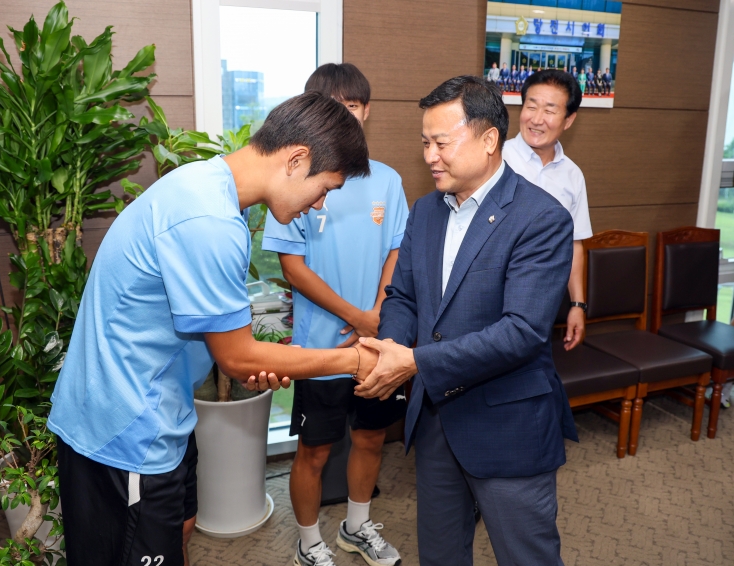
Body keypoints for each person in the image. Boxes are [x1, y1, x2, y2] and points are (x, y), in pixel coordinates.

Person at [47, 92, 380, 566]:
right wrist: (357, 360)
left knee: (179, 531)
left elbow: (227, 343)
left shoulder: (209, 187)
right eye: (325, 187)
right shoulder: (209, 219)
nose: (319, 204)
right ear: (296, 160)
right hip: (123, 432)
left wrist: (255, 360)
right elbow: (239, 356)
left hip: (160, 411)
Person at [353, 75, 577, 565]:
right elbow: (403, 297)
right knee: (440, 555)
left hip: (507, 424)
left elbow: (522, 331)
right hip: (436, 422)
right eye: (425, 143)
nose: (430, 156)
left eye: (442, 143)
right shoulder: (425, 212)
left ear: (489, 139)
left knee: (526, 557)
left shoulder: (541, 218)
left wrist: (414, 362)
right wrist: (389, 348)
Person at [262, 63, 408, 566]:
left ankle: (357, 526)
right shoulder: (299, 181)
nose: (345, 115)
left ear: (367, 110)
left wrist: (378, 314)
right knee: (315, 450)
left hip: (376, 344)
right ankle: (308, 543)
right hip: (320, 348)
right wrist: (355, 317)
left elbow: (397, 251)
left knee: (370, 438)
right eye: (333, 106)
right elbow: (292, 267)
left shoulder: (388, 180)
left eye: (353, 105)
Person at [503, 69, 592, 351]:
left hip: (542, 310)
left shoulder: (572, 175)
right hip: (490, 304)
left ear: (569, 120)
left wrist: (577, 304)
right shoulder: (494, 159)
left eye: (550, 110)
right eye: (531, 106)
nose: (537, 119)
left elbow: (574, 244)